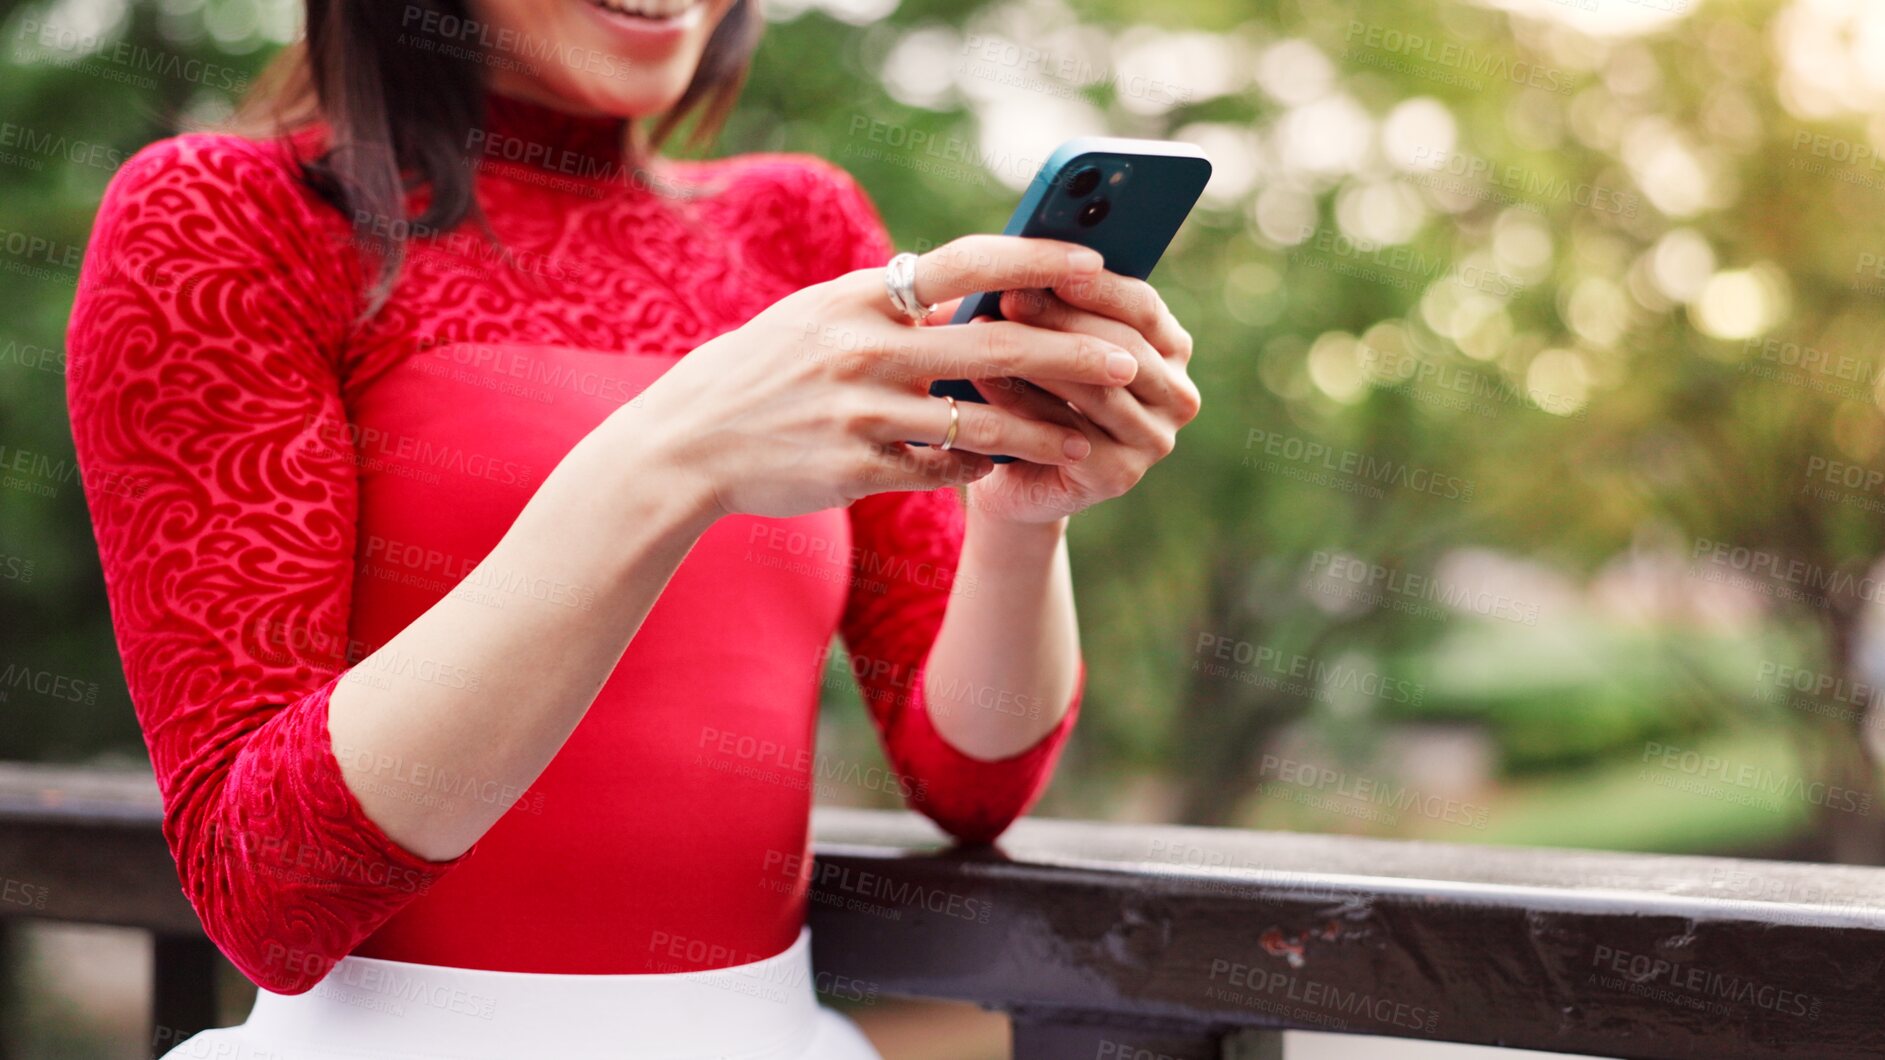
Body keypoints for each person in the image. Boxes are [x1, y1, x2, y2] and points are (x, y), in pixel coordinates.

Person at [65, 0, 1201, 1054]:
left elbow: (968, 777)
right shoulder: (225, 214)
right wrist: (677, 457)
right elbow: (268, 891)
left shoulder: (797, 226)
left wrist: (1020, 506)